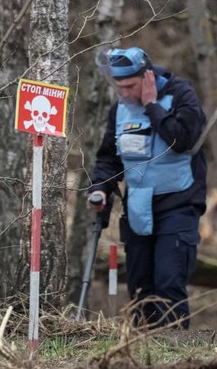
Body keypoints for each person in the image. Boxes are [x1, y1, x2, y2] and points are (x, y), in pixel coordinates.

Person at [88, 46, 207, 329]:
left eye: (130, 86)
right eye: (119, 87)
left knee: (169, 283)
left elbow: (183, 140)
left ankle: (172, 353)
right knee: (140, 287)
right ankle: (142, 353)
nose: (125, 93)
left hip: (178, 205)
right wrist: (100, 188)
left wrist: (153, 106)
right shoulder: (119, 110)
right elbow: (109, 157)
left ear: (148, 77)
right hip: (139, 209)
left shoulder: (182, 96)